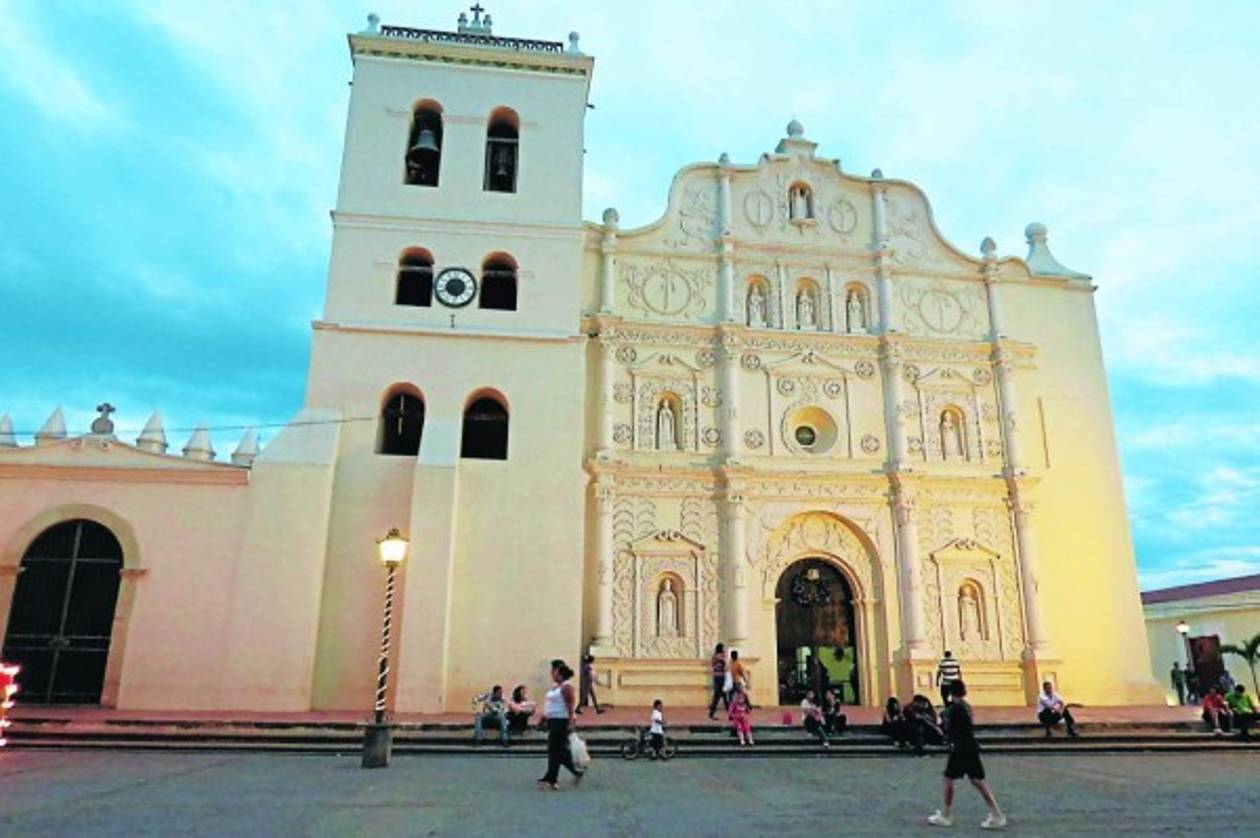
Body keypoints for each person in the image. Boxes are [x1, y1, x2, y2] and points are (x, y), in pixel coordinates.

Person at [929, 680, 1007, 830]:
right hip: (970, 746)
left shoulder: (955, 708)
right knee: (977, 781)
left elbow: (949, 728)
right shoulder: (966, 706)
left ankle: (945, 815)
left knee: (949, 779)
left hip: (960, 748)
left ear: (951, 692)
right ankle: (997, 814)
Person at [537, 659, 585, 790]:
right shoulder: (556, 686)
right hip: (553, 720)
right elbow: (551, 704)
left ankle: (562, 774)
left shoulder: (566, 687)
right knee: (556, 750)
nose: (552, 674)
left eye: (554, 672)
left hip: (561, 721)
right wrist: (544, 717)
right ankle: (552, 776)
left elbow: (570, 705)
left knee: (556, 750)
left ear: (559, 673)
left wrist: (571, 721)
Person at [707, 643, 729, 720]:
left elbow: (712, 666)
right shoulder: (723, 656)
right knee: (724, 697)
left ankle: (711, 713)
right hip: (722, 677)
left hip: (716, 677)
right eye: (723, 648)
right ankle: (730, 714)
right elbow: (726, 666)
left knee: (719, 696)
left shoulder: (714, 656)